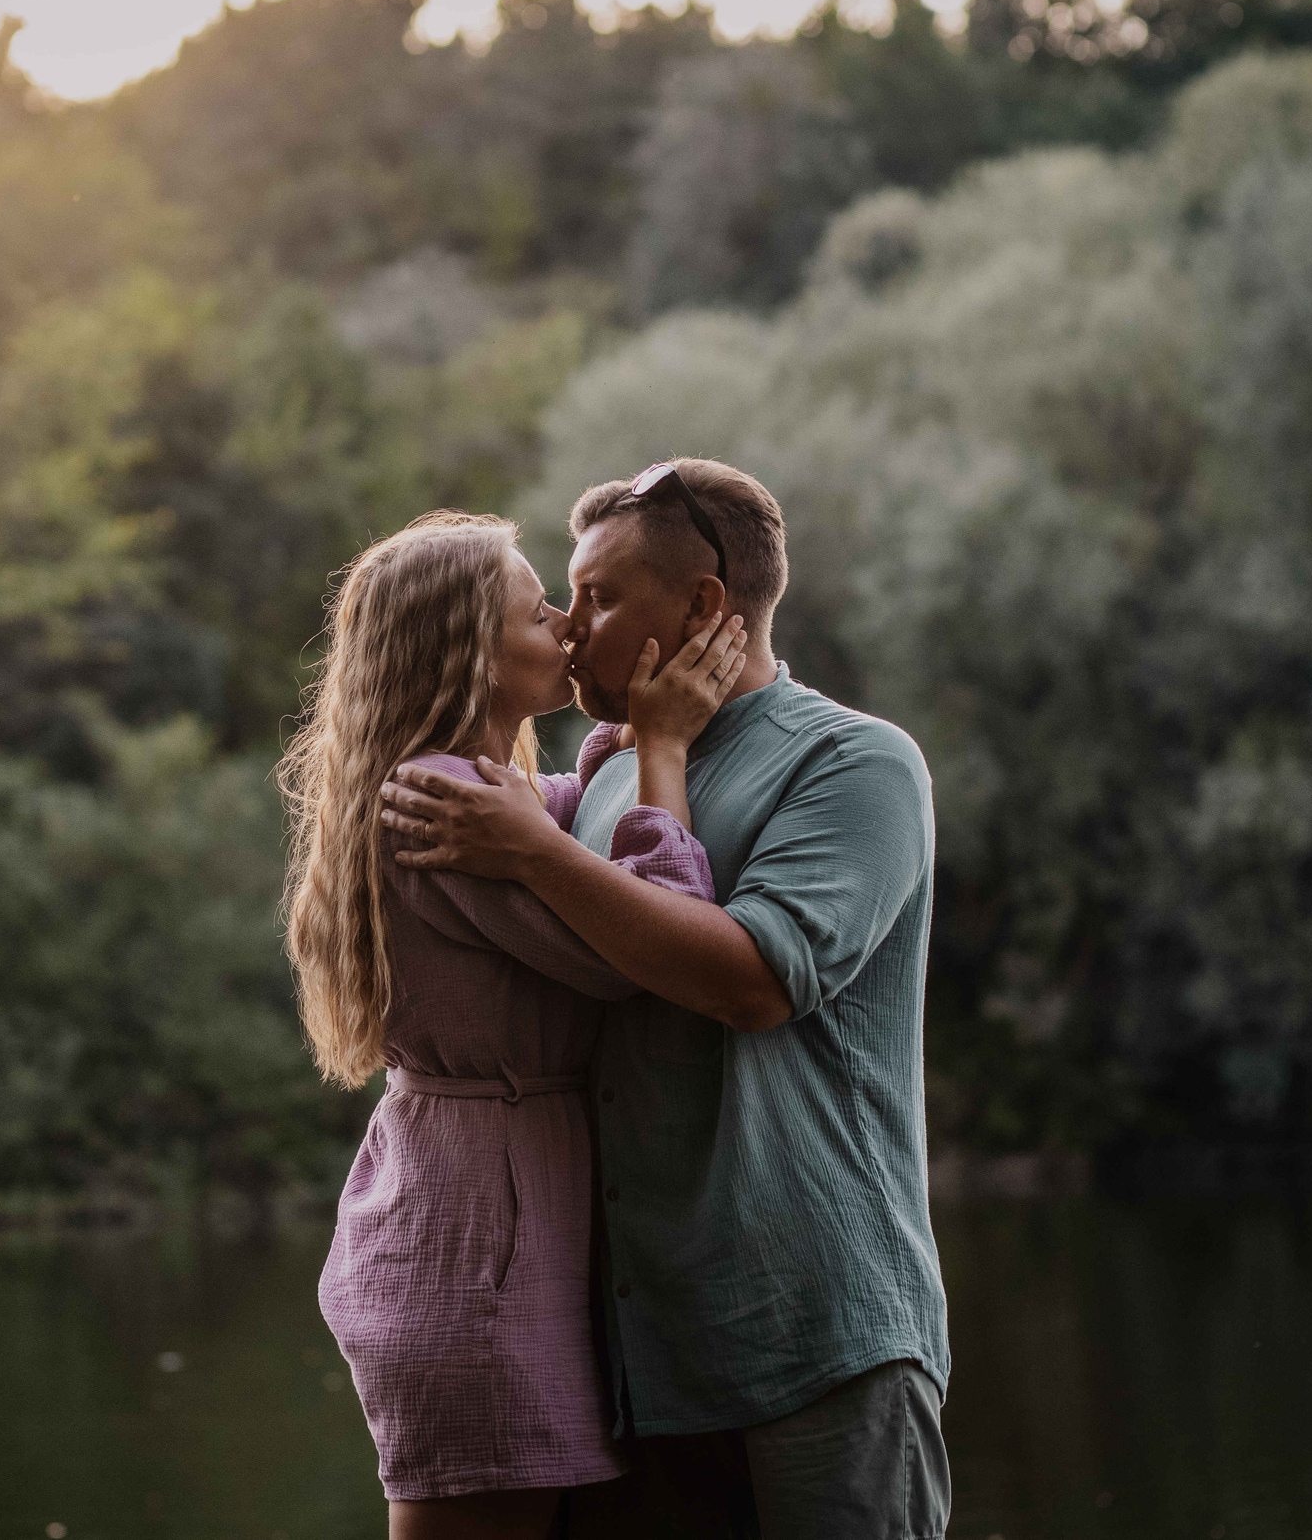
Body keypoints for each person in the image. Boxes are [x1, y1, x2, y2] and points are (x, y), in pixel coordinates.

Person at [378, 460, 952, 1540]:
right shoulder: (603, 780)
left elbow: (750, 982)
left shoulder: (854, 763)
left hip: (816, 1337)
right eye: (563, 595)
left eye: (597, 596)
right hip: (634, 1357)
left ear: (701, 606)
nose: (571, 625)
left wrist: (536, 857)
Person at [278, 509, 750, 1539]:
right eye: (536, 609)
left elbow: (553, 824)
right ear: (466, 652)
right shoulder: (440, 802)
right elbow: (639, 950)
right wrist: (661, 751)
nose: (565, 623)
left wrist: (611, 757)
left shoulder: (485, 797)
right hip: (475, 1249)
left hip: (489, 1217)